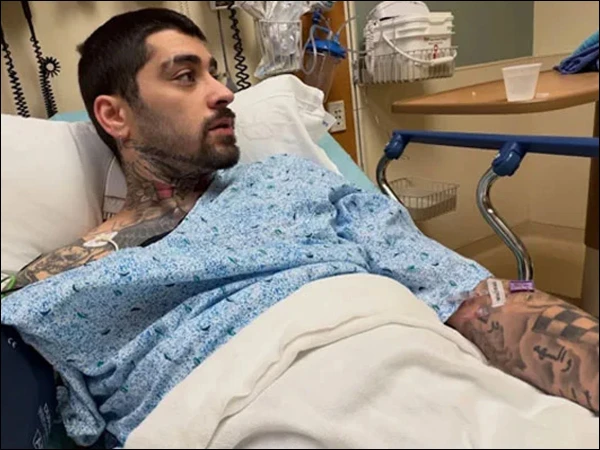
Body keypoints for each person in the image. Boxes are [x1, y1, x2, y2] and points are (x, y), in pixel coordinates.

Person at [1, 7, 598, 449]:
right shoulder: (55, 282)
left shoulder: (292, 181)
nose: (224, 93)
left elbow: (474, 298)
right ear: (114, 115)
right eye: (185, 76)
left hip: (430, 382)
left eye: (216, 73)